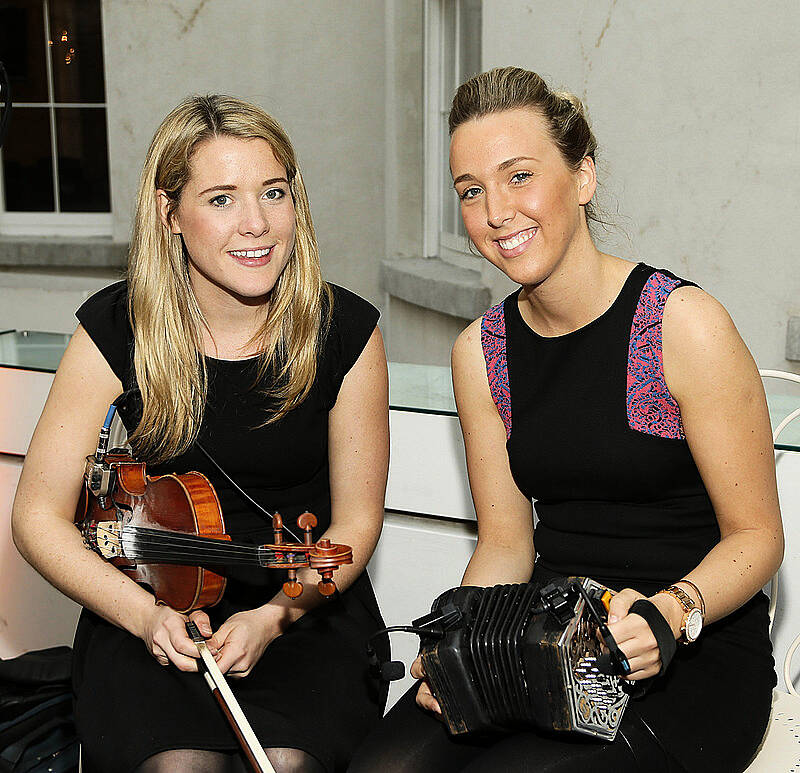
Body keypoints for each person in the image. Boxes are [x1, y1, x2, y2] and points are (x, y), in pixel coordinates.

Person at [349, 67, 782, 773]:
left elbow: (759, 535)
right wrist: (455, 644)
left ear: (582, 175)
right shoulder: (480, 353)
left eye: (520, 175)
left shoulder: (681, 324)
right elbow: (506, 544)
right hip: (542, 640)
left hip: (684, 653)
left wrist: (670, 613)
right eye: (471, 190)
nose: (496, 211)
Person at [12, 94, 389, 773]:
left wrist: (273, 616)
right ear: (169, 213)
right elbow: (37, 518)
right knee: (178, 766)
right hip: (151, 606)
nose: (256, 223)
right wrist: (142, 615)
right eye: (221, 198)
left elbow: (354, 526)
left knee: (288, 759)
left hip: (304, 607)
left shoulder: (346, 331)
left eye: (273, 192)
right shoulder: (116, 327)